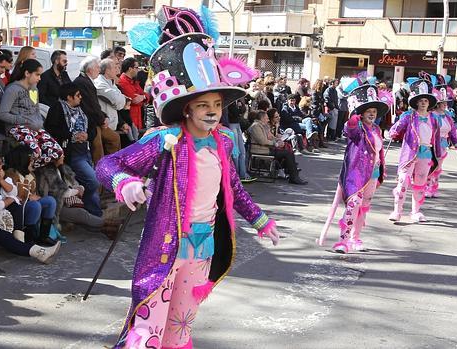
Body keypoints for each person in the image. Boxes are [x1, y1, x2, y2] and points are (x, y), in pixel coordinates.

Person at [96, 8, 280, 347]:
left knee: (181, 327)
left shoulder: (223, 141)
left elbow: (234, 190)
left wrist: (260, 220)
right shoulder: (165, 140)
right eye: (203, 105)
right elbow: (107, 165)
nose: (212, 111)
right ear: (186, 108)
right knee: (147, 330)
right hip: (165, 248)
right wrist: (126, 183)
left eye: (216, 104)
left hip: (203, 247)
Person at [322, 83, 388, 253]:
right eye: (368, 111)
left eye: (374, 111)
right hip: (356, 174)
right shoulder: (357, 128)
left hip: (372, 175)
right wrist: (353, 119)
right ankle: (343, 241)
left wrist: (381, 172)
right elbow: (348, 129)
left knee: (364, 207)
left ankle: (355, 238)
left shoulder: (377, 130)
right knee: (353, 205)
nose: (372, 114)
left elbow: (379, 152)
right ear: (361, 113)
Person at [44, 82, 103, 218]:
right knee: (92, 180)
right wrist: (72, 135)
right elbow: (52, 129)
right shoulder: (57, 108)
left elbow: (92, 127)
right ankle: (90, 210)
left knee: (90, 181)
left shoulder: (82, 109)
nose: (80, 97)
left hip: (85, 149)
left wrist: (87, 135)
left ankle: (94, 213)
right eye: (77, 95)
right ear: (69, 97)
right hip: (72, 152)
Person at [389, 74, 441, 223]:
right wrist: (394, 131)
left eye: (426, 100)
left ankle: (415, 211)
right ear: (416, 102)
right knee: (403, 182)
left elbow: (436, 139)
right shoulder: (408, 116)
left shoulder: (433, 118)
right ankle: (396, 211)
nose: (423, 103)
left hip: (425, 154)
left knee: (420, 184)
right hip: (409, 154)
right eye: (421, 101)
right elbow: (395, 130)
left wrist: (436, 155)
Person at [34, 154, 120, 238]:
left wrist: (80, 188)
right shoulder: (46, 174)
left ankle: (108, 229)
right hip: (55, 207)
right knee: (81, 214)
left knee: (81, 219)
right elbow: (59, 192)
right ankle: (108, 224)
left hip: (68, 202)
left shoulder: (63, 168)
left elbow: (74, 182)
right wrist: (76, 191)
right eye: (61, 155)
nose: (63, 156)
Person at [4, 145, 60, 245]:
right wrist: (29, 197)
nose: (33, 162)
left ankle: (44, 236)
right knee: (35, 205)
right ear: (23, 160)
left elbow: (34, 193)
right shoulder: (11, 173)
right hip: (18, 206)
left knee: (50, 201)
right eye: (31, 160)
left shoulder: (30, 174)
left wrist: (32, 197)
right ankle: (29, 238)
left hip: (28, 203)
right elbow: (16, 194)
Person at [248, 110, 307, 184]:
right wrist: (275, 144)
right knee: (288, 153)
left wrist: (278, 140)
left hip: (266, 149)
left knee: (288, 151)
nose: (268, 120)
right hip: (261, 150)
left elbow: (271, 137)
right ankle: (293, 176)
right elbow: (262, 141)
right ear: (262, 119)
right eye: (267, 118)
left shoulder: (263, 126)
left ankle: (291, 172)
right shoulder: (256, 126)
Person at [426, 81, 457, 198]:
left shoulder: (447, 116)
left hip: (442, 145)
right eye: (443, 102)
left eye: (446, 102)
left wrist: (456, 143)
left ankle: (434, 188)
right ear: (437, 104)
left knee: (438, 168)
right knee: (429, 166)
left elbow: (452, 130)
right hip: (430, 145)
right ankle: (425, 187)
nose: (445, 104)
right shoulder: (430, 115)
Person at [73, 56, 105, 163]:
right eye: (97, 67)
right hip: (89, 122)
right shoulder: (83, 82)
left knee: (114, 138)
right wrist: (101, 120)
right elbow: (90, 105)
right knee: (97, 146)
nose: (99, 70)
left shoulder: (86, 81)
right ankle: (99, 171)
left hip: (94, 120)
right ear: (90, 70)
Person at [94, 57, 125, 155]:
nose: (117, 68)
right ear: (107, 70)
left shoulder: (111, 83)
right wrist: (121, 99)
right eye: (114, 66)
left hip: (112, 124)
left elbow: (121, 103)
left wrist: (121, 100)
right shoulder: (100, 83)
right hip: (104, 124)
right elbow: (116, 100)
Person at [227, 95, 255, 182]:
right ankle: (237, 174)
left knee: (242, 150)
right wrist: (239, 108)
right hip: (231, 124)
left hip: (237, 123)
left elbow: (243, 109)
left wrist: (240, 107)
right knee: (235, 151)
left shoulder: (237, 99)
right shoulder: (230, 100)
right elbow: (235, 112)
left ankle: (243, 173)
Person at [117, 57, 148, 130]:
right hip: (129, 120)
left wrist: (143, 97)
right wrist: (143, 98)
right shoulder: (122, 82)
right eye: (136, 67)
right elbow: (134, 100)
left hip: (137, 119)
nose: (138, 70)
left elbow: (147, 95)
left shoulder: (134, 81)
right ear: (130, 69)